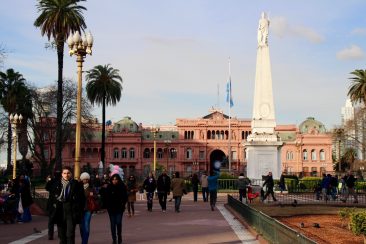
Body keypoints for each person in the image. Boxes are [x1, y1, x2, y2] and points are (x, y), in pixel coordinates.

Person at [51, 166, 85, 244]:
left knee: (70, 234)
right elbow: (52, 198)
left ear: (71, 174)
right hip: (60, 211)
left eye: (68, 173)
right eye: (64, 173)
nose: (66, 175)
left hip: (71, 212)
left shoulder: (76, 184)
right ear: (62, 174)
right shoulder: (57, 184)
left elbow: (82, 199)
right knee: (62, 236)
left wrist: (78, 209)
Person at [102, 173, 128, 244]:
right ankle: (114, 239)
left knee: (118, 222)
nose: (114, 181)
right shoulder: (109, 187)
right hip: (111, 209)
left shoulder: (122, 186)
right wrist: (106, 206)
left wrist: (123, 204)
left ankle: (119, 237)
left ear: (118, 180)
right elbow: (105, 198)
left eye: (116, 179)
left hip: (119, 208)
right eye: (113, 179)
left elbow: (125, 197)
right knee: (113, 224)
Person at [79, 172, 96, 244]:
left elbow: (96, 197)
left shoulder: (91, 188)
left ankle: (84, 242)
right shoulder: (78, 187)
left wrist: (92, 196)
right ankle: (84, 239)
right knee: (81, 227)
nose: (85, 181)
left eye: (86, 179)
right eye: (83, 179)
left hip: (88, 209)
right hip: (80, 209)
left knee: (86, 225)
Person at [45, 171, 61, 240]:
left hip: (52, 202)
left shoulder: (51, 181)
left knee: (51, 220)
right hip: (59, 202)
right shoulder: (61, 182)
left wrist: (49, 181)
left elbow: (47, 188)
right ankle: (60, 234)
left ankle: (50, 235)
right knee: (60, 220)